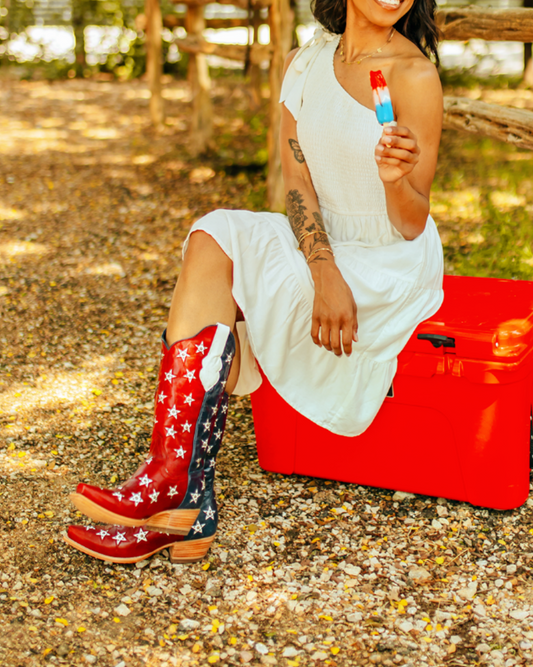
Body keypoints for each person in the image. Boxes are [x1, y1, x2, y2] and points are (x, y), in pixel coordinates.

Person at [64, 0, 444, 564]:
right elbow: (296, 179)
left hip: (389, 260)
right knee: (212, 236)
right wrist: (322, 270)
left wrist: (394, 180)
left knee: (224, 263)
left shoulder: (414, 76)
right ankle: (181, 492)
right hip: (325, 243)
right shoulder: (305, 63)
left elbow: (412, 221)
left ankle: (179, 500)